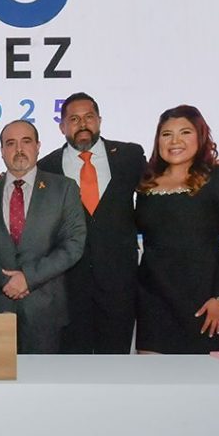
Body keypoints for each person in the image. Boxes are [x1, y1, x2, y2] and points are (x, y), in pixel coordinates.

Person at [37, 92, 146, 354]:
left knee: (115, 366)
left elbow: (164, 181)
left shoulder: (129, 156)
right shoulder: (46, 167)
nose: (82, 124)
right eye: (74, 119)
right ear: (62, 127)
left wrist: (210, 166)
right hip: (69, 289)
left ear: (99, 120)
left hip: (119, 285)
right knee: (74, 367)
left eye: (88, 117)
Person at [135, 105, 219, 353]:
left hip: (205, 299)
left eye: (185, 132)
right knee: (152, 373)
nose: (175, 141)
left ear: (200, 136)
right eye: (166, 134)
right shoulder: (146, 182)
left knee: (207, 375)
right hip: (154, 298)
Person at [0, 121, 86, 353]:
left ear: (38, 146)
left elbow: (73, 244)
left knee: (43, 377)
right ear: (2, 151)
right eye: (10, 143)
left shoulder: (63, 189)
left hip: (45, 310)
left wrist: (28, 278)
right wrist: (4, 281)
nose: (19, 149)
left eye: (26, 141)